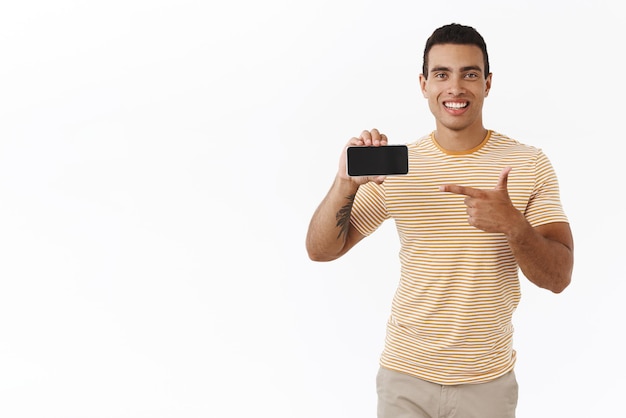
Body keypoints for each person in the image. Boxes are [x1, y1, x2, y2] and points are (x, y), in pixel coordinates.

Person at [305, 23, 574, 418]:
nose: (456, 87)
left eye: (469, 73)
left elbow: (559, 277)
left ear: (487, 83)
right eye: (442, 74)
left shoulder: (528, 164)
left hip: (488, 383)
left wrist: (513, 225)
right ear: (424, 84)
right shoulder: (400, 167)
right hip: (405, 378)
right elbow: (321, 250)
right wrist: (344, 184)